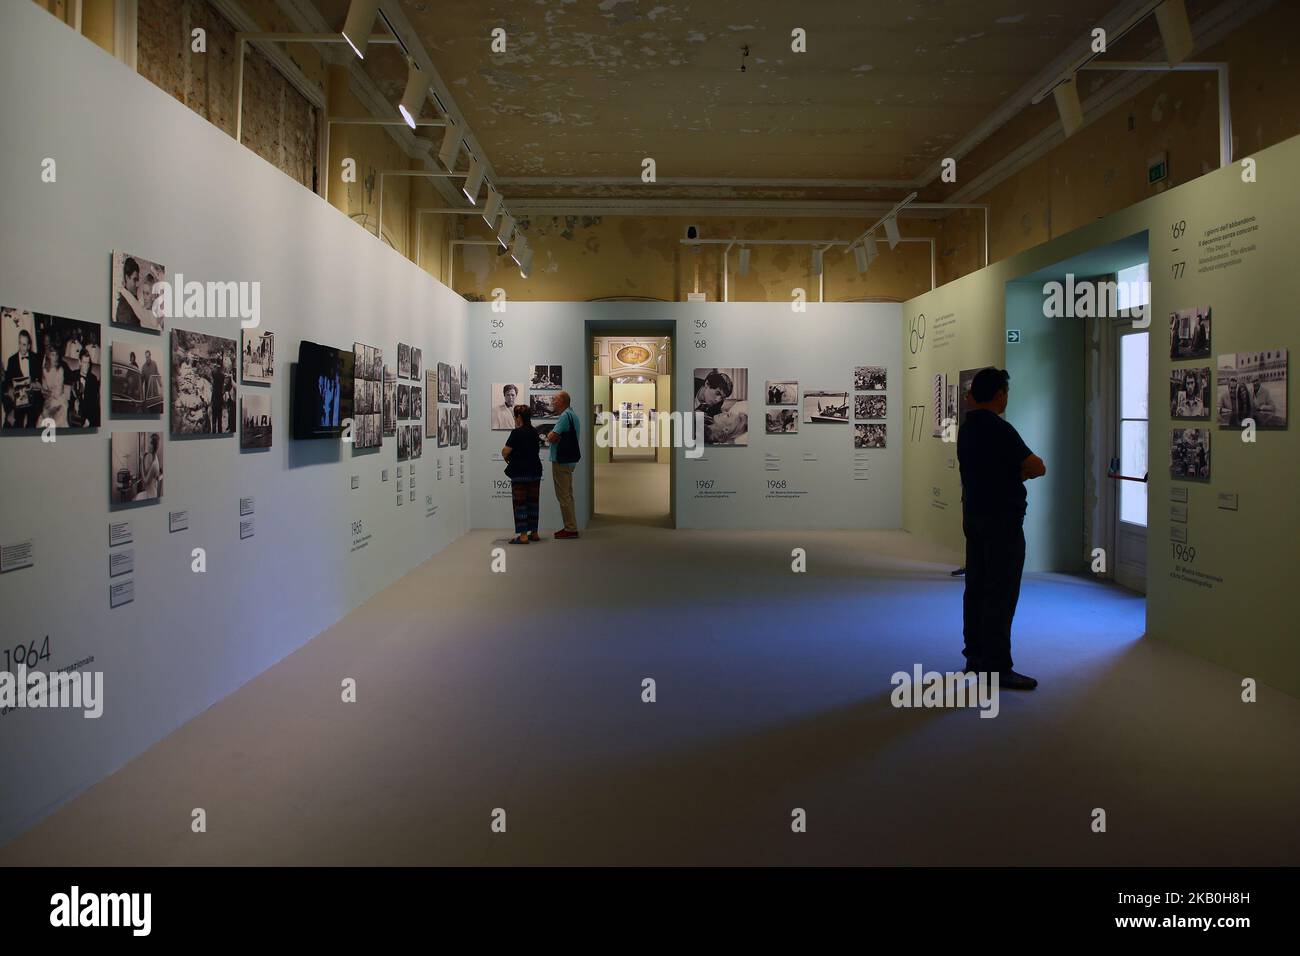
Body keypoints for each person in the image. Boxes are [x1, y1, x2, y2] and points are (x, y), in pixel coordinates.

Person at [957, 368, 1046, 690]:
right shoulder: (1000, 429)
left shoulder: (967, 430)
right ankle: (997, 666)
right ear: (998, 395)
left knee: (977, 587)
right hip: (1002, 522)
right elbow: (1038, 465)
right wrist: (1017, 474)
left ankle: (975, 656)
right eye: (1005, 392)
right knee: (1001, 592)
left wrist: (1008, 471)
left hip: (975, 517)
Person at [501, 404, 543, 544]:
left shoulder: (516, 433)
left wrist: (507, 456)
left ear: (519, 417)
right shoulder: (534, 432)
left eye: (515, 416)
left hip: (520, 472)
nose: (515, 419)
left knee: (520, 503)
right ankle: (534, 533)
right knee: (533, 502)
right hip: (535, 471)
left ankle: (523, 535)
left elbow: (505, 451)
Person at [545, 389, 581, 539]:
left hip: (562, 460)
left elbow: (552, 437)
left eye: (555, 400)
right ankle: (571, 526)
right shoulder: (572, 415)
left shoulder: (564, 416)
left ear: (562, 402)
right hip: (569, 460)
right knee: (568, 495)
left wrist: (550, 435)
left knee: (563, 496)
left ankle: (570, 528)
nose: (553, 402)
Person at [4, 328, 40, 428]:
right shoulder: (12, 360)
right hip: (18, 399)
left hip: (32, 398)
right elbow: (7, 382)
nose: (21, 347)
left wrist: (35, 384)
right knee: (17, 423)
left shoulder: (35, 358)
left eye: (24, 345)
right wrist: (11, 390)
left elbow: (39, 379)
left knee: (32, 423)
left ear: (29, 346)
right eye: (19, 343)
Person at [69, 346, 99, 427]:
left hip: (88, 415)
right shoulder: (73, 375)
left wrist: (86, 419)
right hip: (74, 414)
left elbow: (93, 404)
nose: (87, 366)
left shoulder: (93, 379)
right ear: (79, 362)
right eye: (84, 363)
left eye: (88, 363)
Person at [115, 257, 143, 328]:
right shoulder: (124, 308)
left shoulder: (131, 300)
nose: (137, 285)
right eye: (135, 279)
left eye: (138, 280)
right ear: (127, 278)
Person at [138, 432, 163, 499]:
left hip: (151, 496)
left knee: (135, 499)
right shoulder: (154, 458)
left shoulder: (154, 464)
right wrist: (143, 460)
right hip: (150, 493)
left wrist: (141, 461)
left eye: (150, 443)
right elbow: (147, 474)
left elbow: (145, 482)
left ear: (153, 446)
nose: (148, 445)